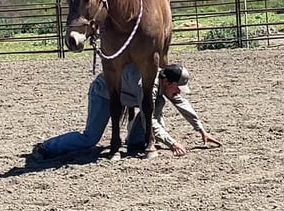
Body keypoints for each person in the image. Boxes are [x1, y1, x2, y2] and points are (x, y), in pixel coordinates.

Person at [32, 63, 222, 160]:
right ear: (167, 82)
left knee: (157, 107)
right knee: (90, 138)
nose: (178, 93)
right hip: (104, 93)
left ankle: (135, 141)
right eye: (177, 88)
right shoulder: (147, 85)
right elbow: (149, 119)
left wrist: (201, 130)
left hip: (125, 94)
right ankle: (46, 148)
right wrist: (171, 143)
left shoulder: (164, 82)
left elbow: (181, 103)